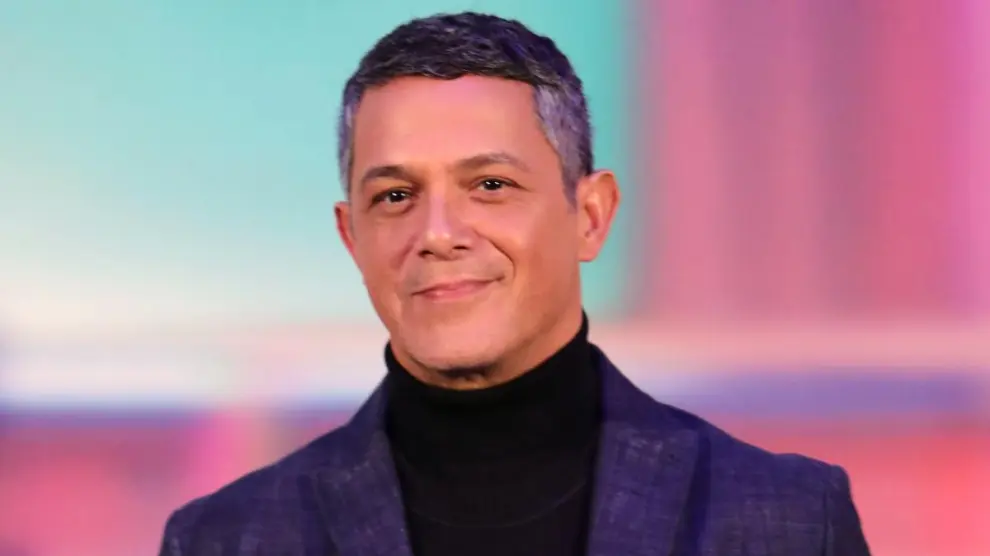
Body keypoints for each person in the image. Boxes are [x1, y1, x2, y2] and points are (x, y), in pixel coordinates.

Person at [158, 11, 871, 556]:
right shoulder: (227, 539)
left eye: (490, 185)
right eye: (396, 196)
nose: (438, 233)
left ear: (590, 216)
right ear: (352, 238)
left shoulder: (787, 520)